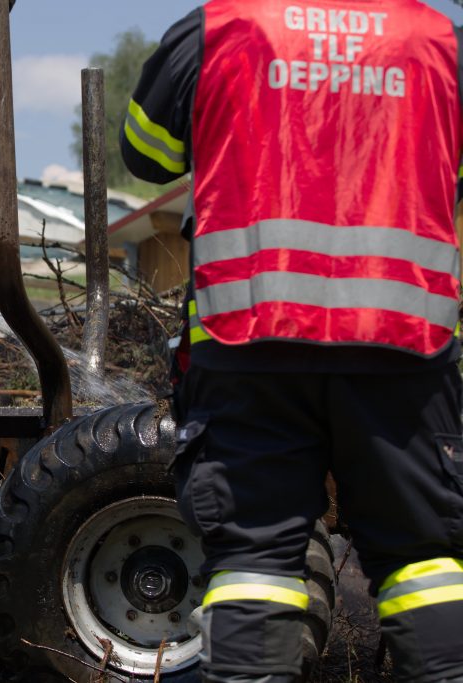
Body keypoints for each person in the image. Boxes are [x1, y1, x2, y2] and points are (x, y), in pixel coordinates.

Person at [121, 1, 463, 681]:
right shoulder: (438, 40)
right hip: (403, 342)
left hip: (251, 339)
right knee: (426, 559)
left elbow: (147, 153)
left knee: (253, 561)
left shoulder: (217, 28)